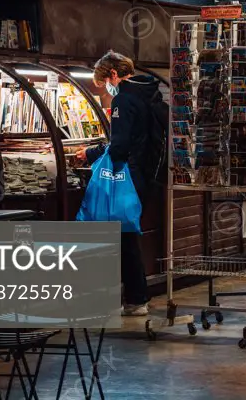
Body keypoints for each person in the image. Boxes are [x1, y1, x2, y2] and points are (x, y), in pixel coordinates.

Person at [81, 50, 159, 316]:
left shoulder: (123, 101)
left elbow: (120, 146)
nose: (107, 89)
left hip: (126, 177)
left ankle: (126, 298)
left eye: (105, 83)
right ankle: (136, 298)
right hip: (145, 176)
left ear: (113, 74)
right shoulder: (150, 94)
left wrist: (91, 154)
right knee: (125, 237)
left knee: (116, 238)